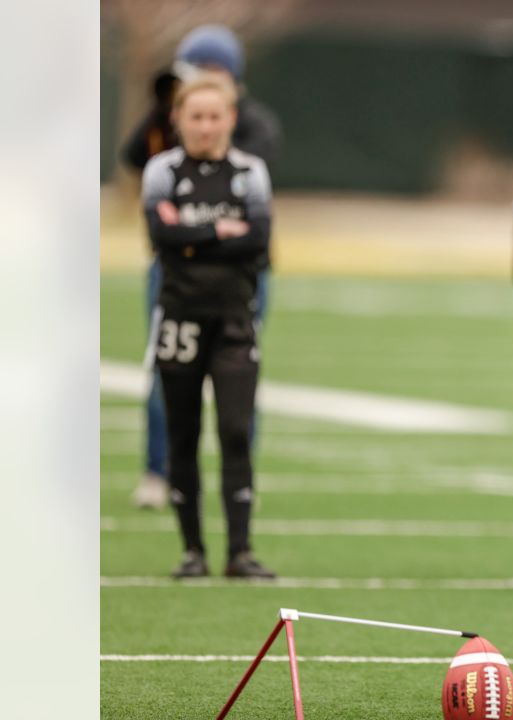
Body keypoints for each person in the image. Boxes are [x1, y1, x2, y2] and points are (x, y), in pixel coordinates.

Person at [125, 24, 283, 509]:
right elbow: (134, 159)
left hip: (241, 277)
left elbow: (241, 212)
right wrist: (162, 111)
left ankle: (240, 480)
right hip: (175, 276)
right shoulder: (174, 122)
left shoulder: (256, 126)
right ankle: (159, 470)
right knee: (166, 377)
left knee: (239, 385)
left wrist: (192, 233)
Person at [141, 72, 275, 579]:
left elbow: (258, 240)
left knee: (236, 430)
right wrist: (221, 230)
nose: (205, 126)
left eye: (214, 116)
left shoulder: (250, 172)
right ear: (178, 119)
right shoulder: (162, 171)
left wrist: (192, 234)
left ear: (231, 120)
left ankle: (239, 550)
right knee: (183, 433)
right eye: (195, 116)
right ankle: (192, 550)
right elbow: (160, 235)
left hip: (236, 320)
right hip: (179, 319)